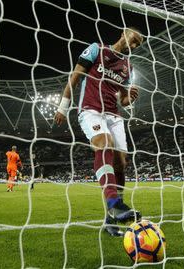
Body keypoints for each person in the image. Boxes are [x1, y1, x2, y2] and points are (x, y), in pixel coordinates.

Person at [54, 27, 143, 236]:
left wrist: (130, 97)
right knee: (105, 143)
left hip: (113, 115)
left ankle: (111, 219)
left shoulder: (127, 67)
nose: (134, 45)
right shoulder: (96, 50)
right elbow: (75, 77)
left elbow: (122, 99)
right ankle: (114, 202)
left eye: (138, 44)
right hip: (90, 110)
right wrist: (62, 107)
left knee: (121, 163)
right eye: (134, 40)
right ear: (123, 33)